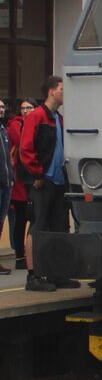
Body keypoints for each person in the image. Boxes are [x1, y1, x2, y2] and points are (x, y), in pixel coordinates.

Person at [20, 76, 77, 292]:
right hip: (44, 181)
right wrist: (38, 173)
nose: (65, 93)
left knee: (59, 227)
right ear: (51, 92)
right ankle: (33, 276)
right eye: (62, 89)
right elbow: (26, 149)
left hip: (59, 180)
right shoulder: (37, 117)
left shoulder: (58, 119)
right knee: (38, 225)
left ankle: (57, 273)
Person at [8, 99, 36, 270]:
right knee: (20, 220)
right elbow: (25, 143)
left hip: (32, 179)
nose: (26, 111)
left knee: (33, 219)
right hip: (19, 181)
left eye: (29, 108)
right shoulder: (15, 125)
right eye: (23, 108)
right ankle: (20, 256)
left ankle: (29, 254)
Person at [0, 101, 12, 275]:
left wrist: (11, 178)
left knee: (0, 224)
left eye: (2, 107)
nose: (1, 110)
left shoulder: (3, 130)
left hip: (6, 183)